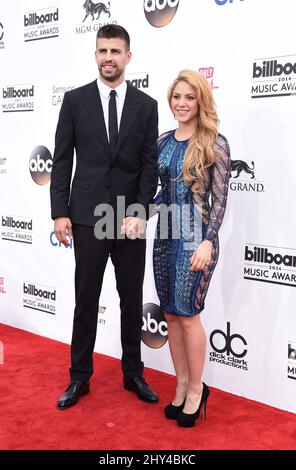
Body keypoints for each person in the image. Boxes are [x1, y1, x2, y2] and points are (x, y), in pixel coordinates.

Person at [50, 25, 159, 409]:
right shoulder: (75, 101)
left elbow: (149, 166)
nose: (108, 57)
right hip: (86, 215)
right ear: (95, 55)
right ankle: (79, 377)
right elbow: (62, 160)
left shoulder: (146, 106)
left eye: (115, 51)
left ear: (128, 56)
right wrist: (60, 212)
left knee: (131, 299)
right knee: (86, 299)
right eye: (102, 51)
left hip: (129, 220)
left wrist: (141, 212)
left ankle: (133, 373)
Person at [153, 69, 231, 427]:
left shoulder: (214, 142)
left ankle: (198, 389)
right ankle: (181, 384)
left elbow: (219, 201)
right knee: (170, 314)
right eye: (176, 97)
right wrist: (136, 213)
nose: (181, 103)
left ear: (201, 101)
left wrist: (207, 242)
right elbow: (160, 194)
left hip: (195, 239)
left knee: (188, 314)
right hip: (165, 238)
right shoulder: (163, 142)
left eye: (189, 97)